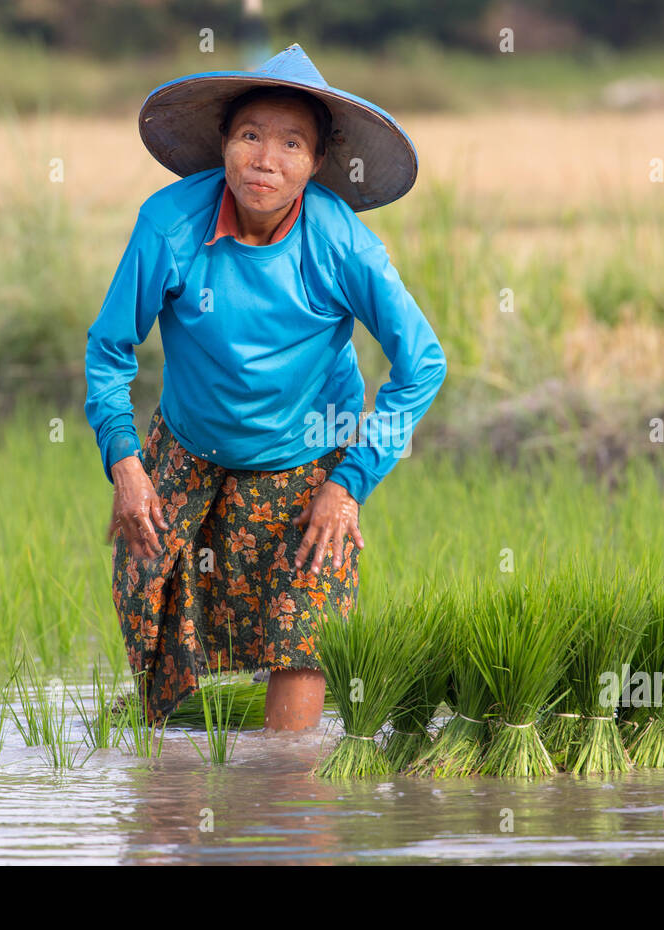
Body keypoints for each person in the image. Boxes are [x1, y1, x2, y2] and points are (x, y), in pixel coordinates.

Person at [84, 43, 447, 732]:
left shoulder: (343, 245)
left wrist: (350, 484)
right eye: (250, 135)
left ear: (315, 164)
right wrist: (126, 466)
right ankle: (175, 804)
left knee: (301, 636)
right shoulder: (169, 224)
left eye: (291, 143)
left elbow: (422, 364)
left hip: (307, 462)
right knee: (151, 613)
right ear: (224, 143)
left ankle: (287, 805)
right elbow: (108, 350)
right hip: (185, 453)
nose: (265, 158)